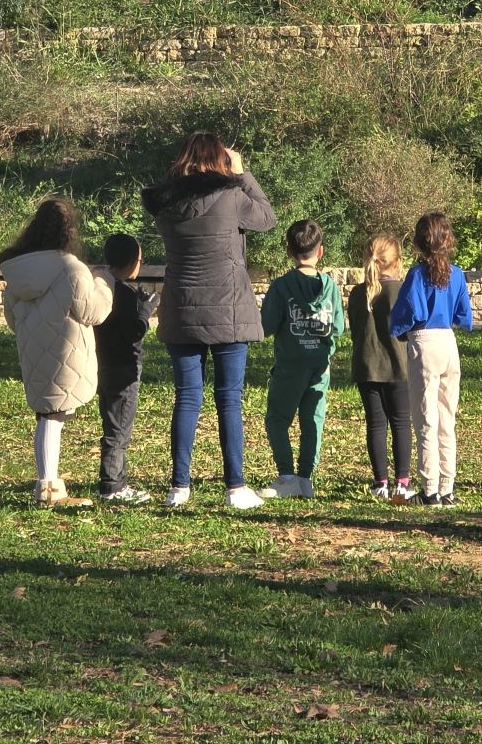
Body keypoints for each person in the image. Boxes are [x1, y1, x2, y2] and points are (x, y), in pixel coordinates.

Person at [142, 132, 277, 510]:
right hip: (229, 310)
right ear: (220, 161)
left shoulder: (166, 205)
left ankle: (179, 487)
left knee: (187, 398)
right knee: (228, 399)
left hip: (183, 310)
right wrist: (242, 174)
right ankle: (235, 486)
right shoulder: (232, 197)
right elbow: (266, 217)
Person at [0, 198, 113, 508]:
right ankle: (48, 487)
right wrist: (104, 284)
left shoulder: (16, 272)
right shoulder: (71, 268)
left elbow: (12, 319)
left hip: (33, 349)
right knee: (53, 417)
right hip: (67, 349)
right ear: (68, 232)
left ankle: (49, 483)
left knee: (48, 415)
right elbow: (92, 313)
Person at [390, 212, 473, 508]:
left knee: (425, 420)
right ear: (448, 239)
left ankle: (430, 489)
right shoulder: (458, 274)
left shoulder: (416, 274)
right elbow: (464, 315)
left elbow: (406, 313)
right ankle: (448, 487)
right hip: (448, 342)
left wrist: (398, 330)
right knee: (446, 419)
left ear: (418, 241)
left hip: (423, 342)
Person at [260, 220, 345, 499]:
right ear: (320, 252)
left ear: (289, 251)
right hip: (320, 365)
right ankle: (306, 478)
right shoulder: (330, 287)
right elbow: (340, 327)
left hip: (290, 365)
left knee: (277, 418)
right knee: (313, 420)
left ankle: (286, 475)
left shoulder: (282, 286)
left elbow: (267, 325)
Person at [347, 234, 414, 503]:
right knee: (400, 422)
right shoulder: (402, 290)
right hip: (399, 366)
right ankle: (402, 482)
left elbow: (355, 330)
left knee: (375, 423)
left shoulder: (357, 293)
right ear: (397, 262)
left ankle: (380, 482)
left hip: (366, 366)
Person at [94, 233, 159, 505]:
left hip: (102, 364)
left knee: (112, 422)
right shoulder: (125, 294)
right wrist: (146, 311)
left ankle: (117, 479)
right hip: (125, 369)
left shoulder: (101, 288)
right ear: (134, 263)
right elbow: (134, 331)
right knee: (119, 429)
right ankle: (112, 486)